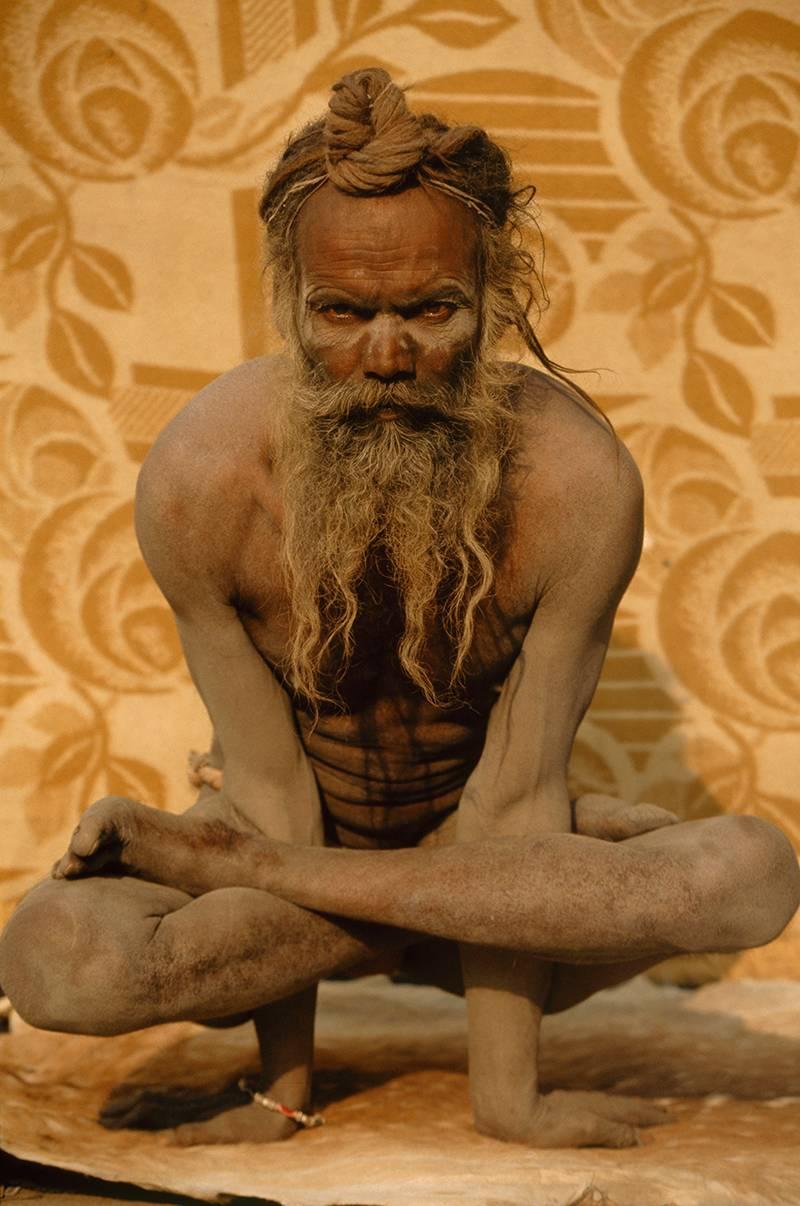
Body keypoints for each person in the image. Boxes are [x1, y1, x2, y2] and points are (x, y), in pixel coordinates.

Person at [1, 68, 797, 1151]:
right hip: (341, 854)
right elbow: (271, 785)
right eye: (343, 312)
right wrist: (281, 1091)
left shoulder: (576, 483)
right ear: (288, 295)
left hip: (479, 841)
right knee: (55, 958)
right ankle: (343, 894)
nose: (386, 357)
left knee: (750, 876)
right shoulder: (202, 480)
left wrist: (504, 1101)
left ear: (494, 288)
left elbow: (517, 801)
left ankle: (265, 876)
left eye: (430, 310)